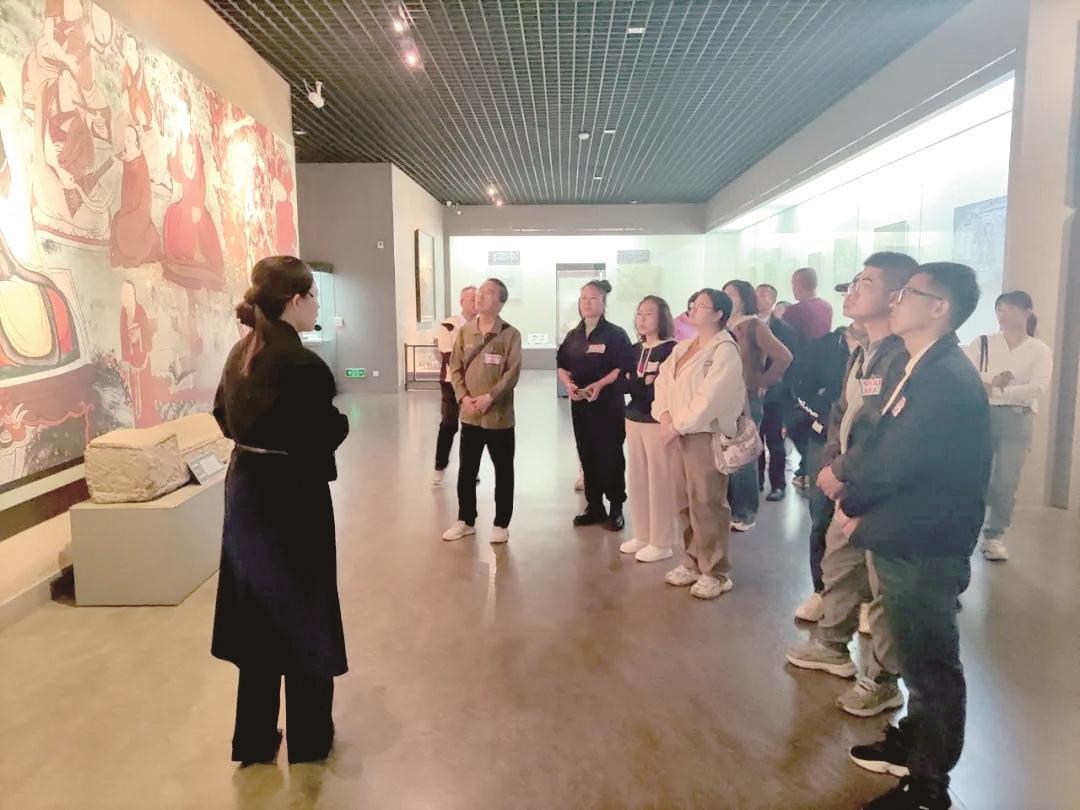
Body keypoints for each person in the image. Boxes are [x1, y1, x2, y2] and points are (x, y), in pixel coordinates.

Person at [841, 262, 991, 810]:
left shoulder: (945, 378)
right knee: (912, 650)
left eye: (909, 293)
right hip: (905, 536)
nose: (896, 300)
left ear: (939, 308)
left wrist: (854, 504)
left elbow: (903, 463)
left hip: (926, 543)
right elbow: (883, 441)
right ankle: (914, 743)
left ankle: (929, 786)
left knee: (931, 664)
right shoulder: (920, 364)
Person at [211, 256, 350, 766]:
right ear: (295, 300)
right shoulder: (303, 365)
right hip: (294, 496)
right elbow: (323, 432)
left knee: (257, 614)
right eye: (314, 297)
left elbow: (221, 415)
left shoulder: (240, 352)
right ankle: (309, 738)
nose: (317, 306)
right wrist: (339, 427)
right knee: (304, 611)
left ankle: (253, 737)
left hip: (247, 490)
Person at [785, 252, 918, 719]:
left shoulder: (903, 356)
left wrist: (842, 472)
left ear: (896, 297)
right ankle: (832, 645)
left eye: (866, 283)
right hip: (847, 482)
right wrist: (830, 465)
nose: (853, 290)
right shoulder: (863, 349)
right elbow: (841, 415)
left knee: (883, 589)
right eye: (854, 281)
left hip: (876, 490)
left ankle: (883, 680)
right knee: (839, 564)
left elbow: (883, 433)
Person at [652, 289, 744, 599]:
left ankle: (715, 571)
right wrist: (665, 416)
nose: (693, 309)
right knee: (683, 500)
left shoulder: (725, 351)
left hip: (704, 435)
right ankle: (692, 561)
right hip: (677, 433)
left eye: (701, 305)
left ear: (718, 314)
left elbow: (710, 399)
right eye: (692, 304)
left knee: (707, 503)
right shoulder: (683, 347)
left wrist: (677, 425)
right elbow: (663, 383)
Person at [962, 290, 1052, 562]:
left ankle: (994, 536)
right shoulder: (983, 343)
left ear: (1027, 312)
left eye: (1010, 308)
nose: (1003, 314)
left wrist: (997, 390)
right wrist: (994, 385)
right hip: (982, 415)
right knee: (975, 477)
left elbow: (1037, 388)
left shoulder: (1039, 349)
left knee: (1006, 481)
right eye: (999, 308)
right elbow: (968, 376)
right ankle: (966, 533)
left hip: (1017, 418)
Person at [788, 319, 861, 621]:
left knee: (865, 519)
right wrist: (821, 417)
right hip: (824, 439)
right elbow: (798, 386)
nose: (852, 298)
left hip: (868, 446)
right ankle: (821, 590)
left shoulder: (892, 349)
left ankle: (866, 600)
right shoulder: (827, 346)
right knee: (821, 515)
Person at [442, 279, 522, 545]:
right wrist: (463, 397)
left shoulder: (510, 334)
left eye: (488, 293)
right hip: (470, 416)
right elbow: (455, 367)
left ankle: (501, 524)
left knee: (503, 472)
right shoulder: (465, 332)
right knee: (467, 471)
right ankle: (466, 520)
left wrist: (490, 397)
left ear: (500, 302)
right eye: (480, 292)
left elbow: (512, 373)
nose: (480, 296)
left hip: (499, 418)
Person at [557, 280, 634, 531]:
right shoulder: (574, 335)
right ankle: (594, 506)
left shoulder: (615, 334)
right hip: (581, 406)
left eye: (593, 298)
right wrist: (569, 385)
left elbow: (621, 367)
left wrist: (600, 385)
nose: (587, 303)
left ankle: (616, 507)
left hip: (608, 405)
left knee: (610, 455)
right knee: (587, 454)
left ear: (604, 302)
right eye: (583, 298)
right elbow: (562, 366)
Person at [722, 280, 792, 531]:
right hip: (723, 398)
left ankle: (745, 512)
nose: (727, 298)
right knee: (726, 454)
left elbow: (784, 356)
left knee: (744, 455)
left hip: (746, 397)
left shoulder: (754, 325)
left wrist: (764, 382)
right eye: (724, 294)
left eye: (732, 294)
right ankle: (730, 507)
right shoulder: (724, 326)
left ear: (744, 299)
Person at [619, 296, 679, 563]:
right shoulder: (634, 350)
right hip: (634, 418)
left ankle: (662, 540)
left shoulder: (672, 350)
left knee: (660, 480)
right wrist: (641, 381)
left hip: (658, 421)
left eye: (649, 314)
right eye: (639, 313)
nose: (642, 319)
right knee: (638, 478)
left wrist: (641, 382)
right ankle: (642, 534)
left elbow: (661, 388)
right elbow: (627, 384)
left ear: (662, 317)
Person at [784, 267, 835, 487]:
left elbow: (786, 341)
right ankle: (809, 467)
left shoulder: (795, 311)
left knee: (794, 422)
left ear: (798, 284)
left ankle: (808, 467)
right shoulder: (827, 306)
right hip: (823, 370)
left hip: (799, 371)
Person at [756, 283, 800, 501]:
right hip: (750, 391)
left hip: (775, 393)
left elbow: (789, 362)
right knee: (753, 440)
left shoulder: (784, 329)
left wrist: (772, 383)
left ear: (773, 300)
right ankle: (756, 482)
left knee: (774, 441)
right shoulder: (746, 326)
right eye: (756, 294)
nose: (759, 298)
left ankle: (778, 485)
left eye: (764, 295)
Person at [432, 286, 477, 485]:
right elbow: (449, 356)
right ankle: (439, 466)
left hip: (475, 384)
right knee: (449, 425)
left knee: (472, 428)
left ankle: (470, 471)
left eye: (477, 298)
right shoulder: (448, 326)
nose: (475, 302)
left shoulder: (482, 326)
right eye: (471, 298)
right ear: (461, 302)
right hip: (452, 383)